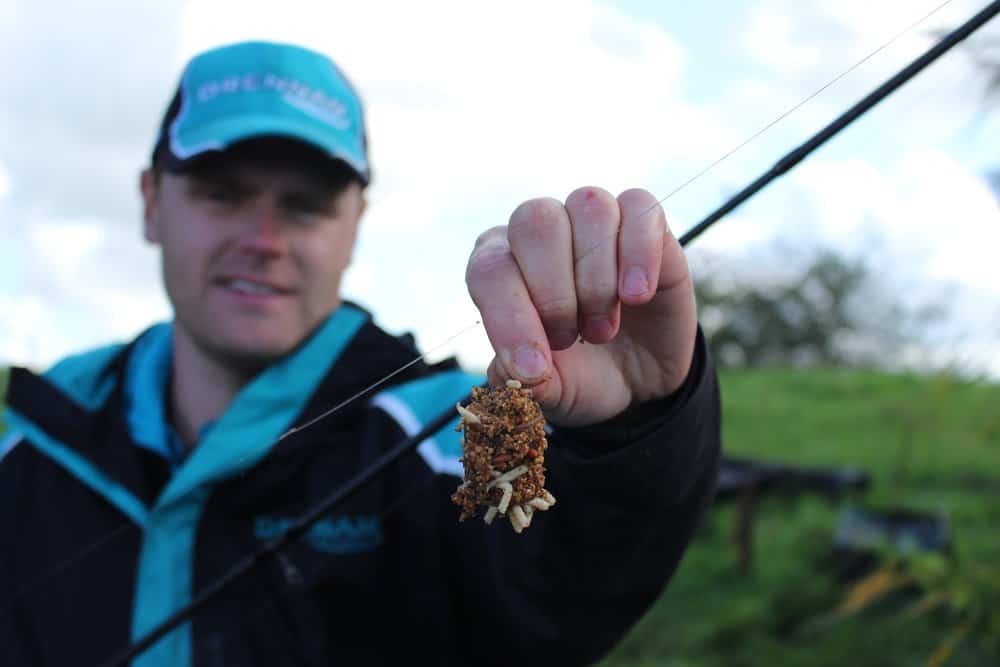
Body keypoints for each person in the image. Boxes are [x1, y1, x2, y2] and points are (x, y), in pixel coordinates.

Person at [0, 41, 721, 666]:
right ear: (152, 201)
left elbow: (561, 582)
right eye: (222, 193)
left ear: (355, 226)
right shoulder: (29, 441)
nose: (264, 238)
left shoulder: (444, 432)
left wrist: (634, 427)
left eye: (306, 204)